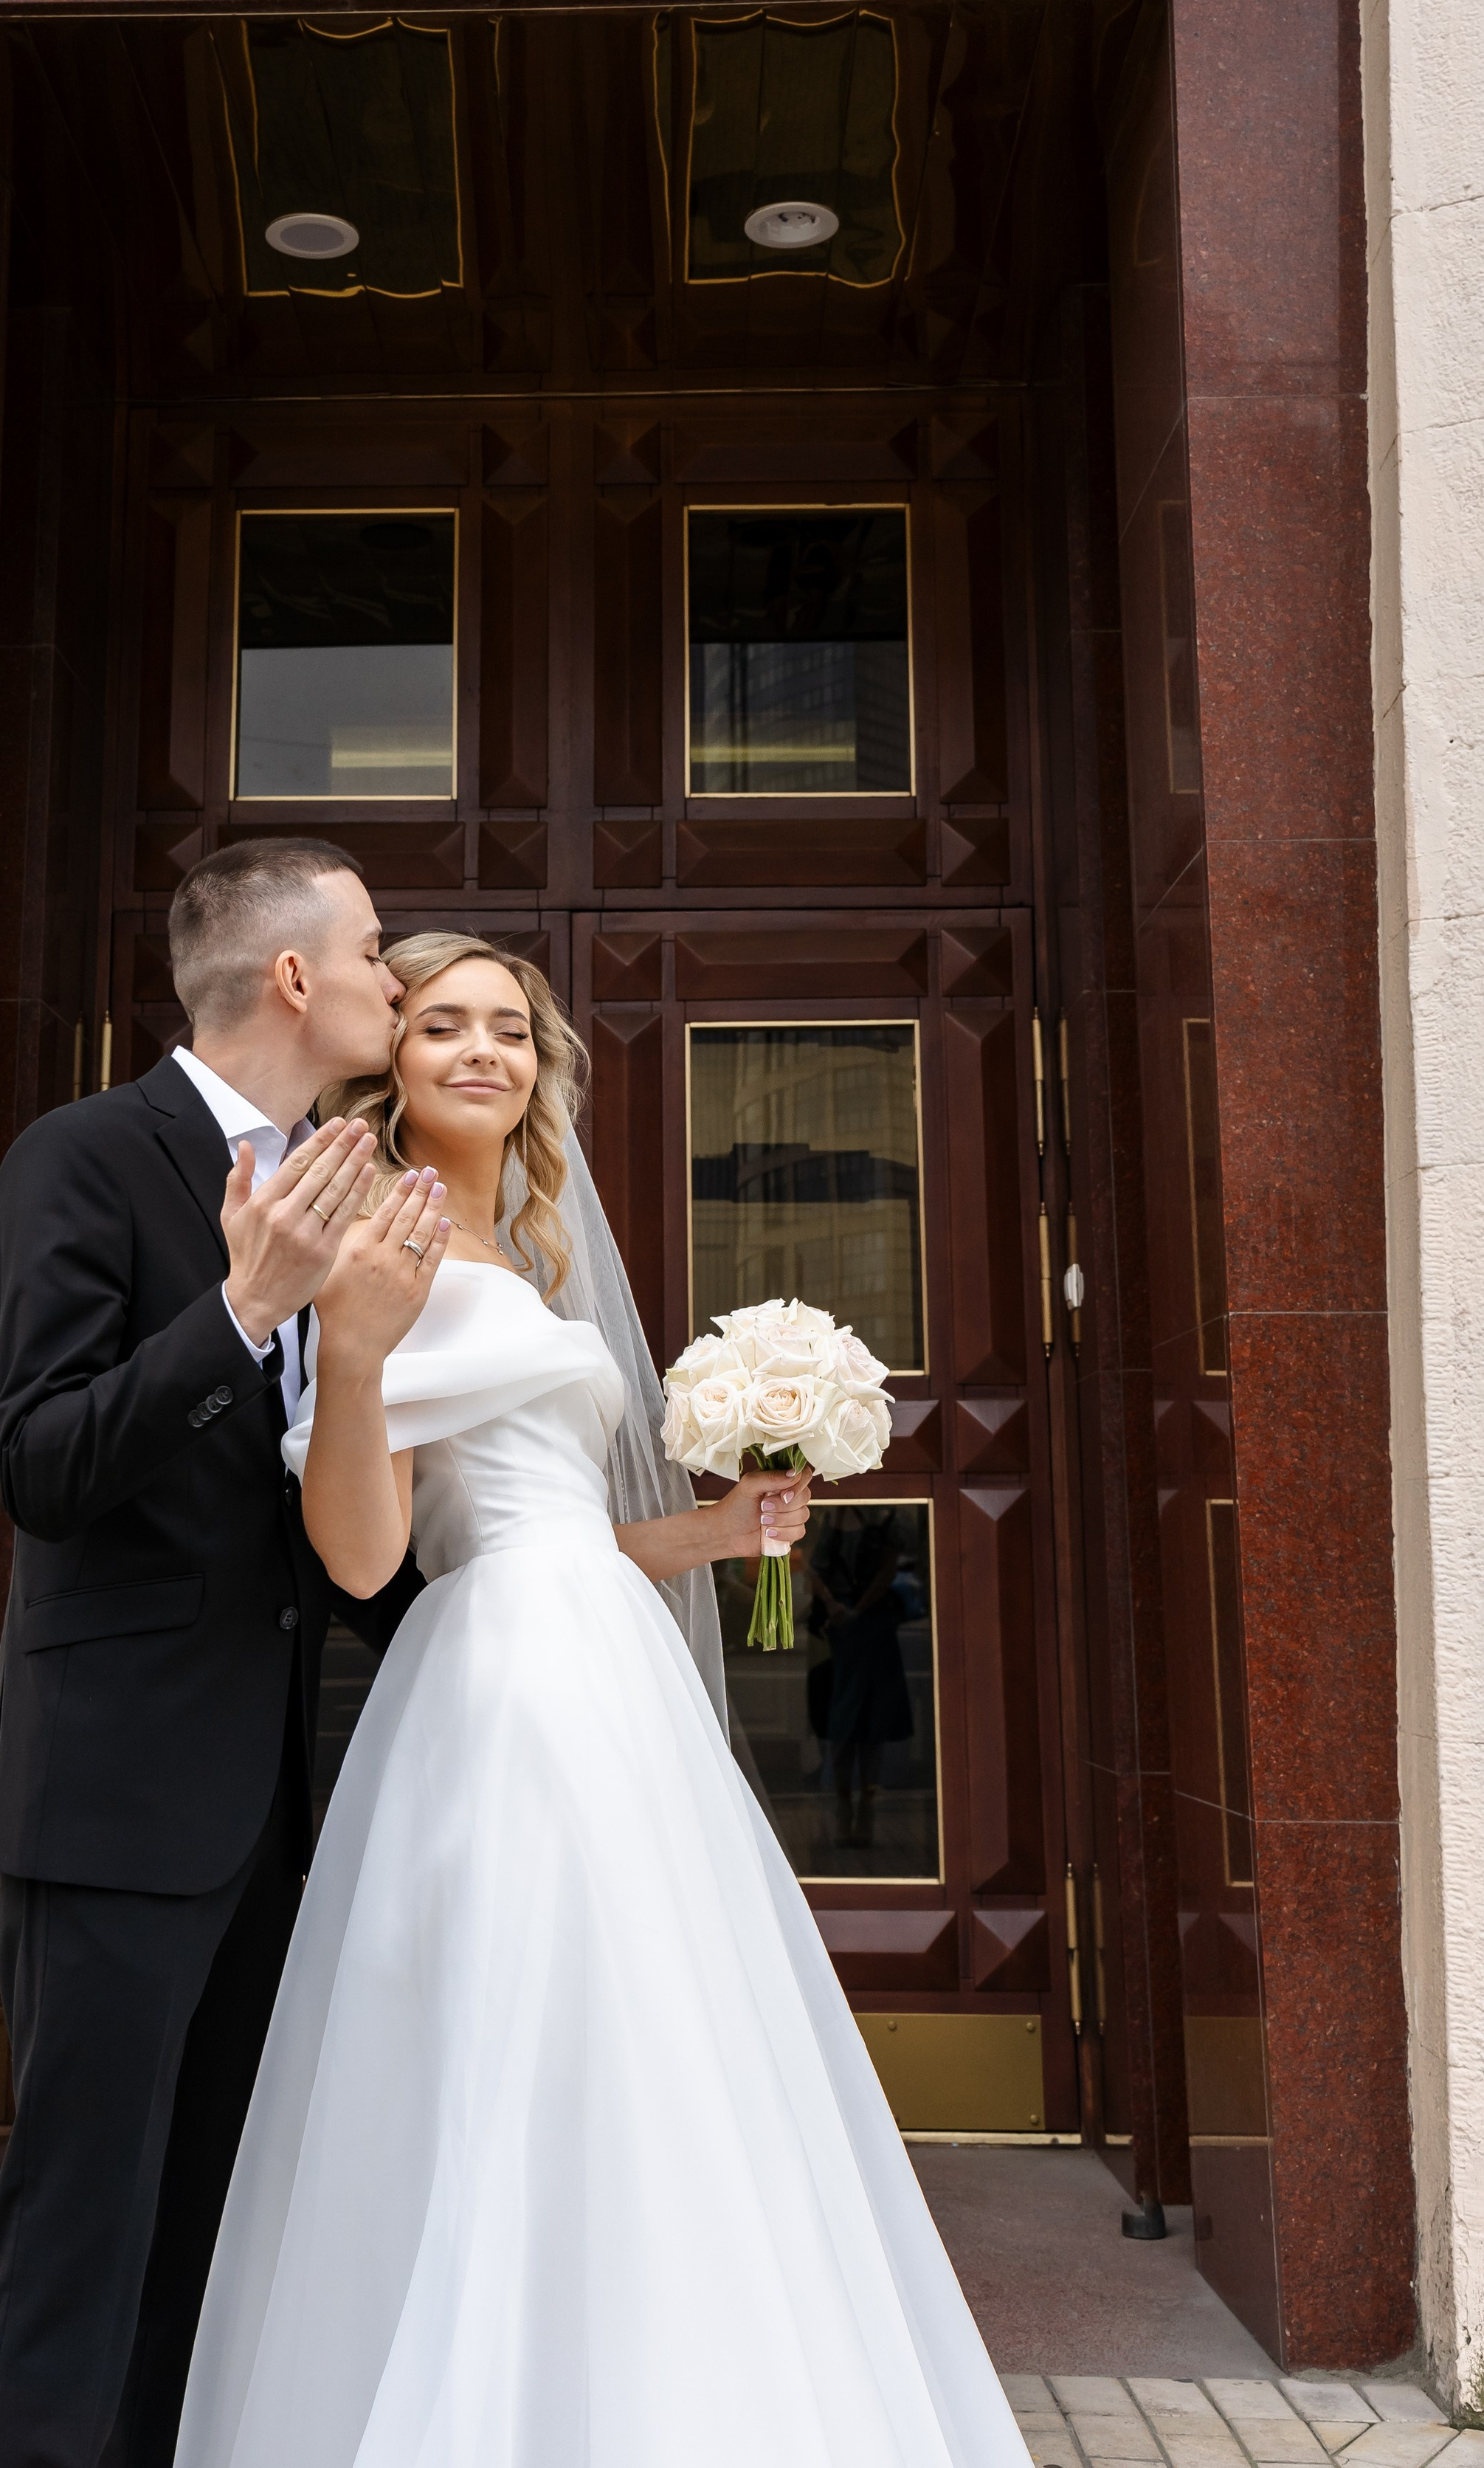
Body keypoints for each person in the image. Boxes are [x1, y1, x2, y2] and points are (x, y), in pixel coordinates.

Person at [173, 932, 1029, 2468]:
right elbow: (368, 1550)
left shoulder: (532, 1246)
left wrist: (708, 1533)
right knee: (523, 2036)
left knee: (656, 2036)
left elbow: (562, 1514)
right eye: (442, 1026)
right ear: (389, 1053)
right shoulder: (372, 1240)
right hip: (501, 1681)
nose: (483, 1052)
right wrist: (355, 1363)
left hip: (605, 1662)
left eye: (509, 1027)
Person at [0, 839, 422, 2468]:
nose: (397, 977)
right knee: (81, 2232)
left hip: (275, 1815)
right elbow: (44, 1465)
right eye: (374, 951)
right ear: (293, 977)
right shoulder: (82, 1157)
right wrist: (238, 1313)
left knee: (206, 2244)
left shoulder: (350, 1190)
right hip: (111, 1805)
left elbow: (337, 1524)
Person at [807, 1511, 917, 1850]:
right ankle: (843, 1805)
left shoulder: (885, 1525)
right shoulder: (823, 1523)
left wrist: (856, 1611)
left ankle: (867, 1805)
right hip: (836, 1632)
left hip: (870, 1629)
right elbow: (811, 1566)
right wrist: (833, 1607)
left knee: (872, 1717)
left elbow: (886, 1572)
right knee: (841, 1718)